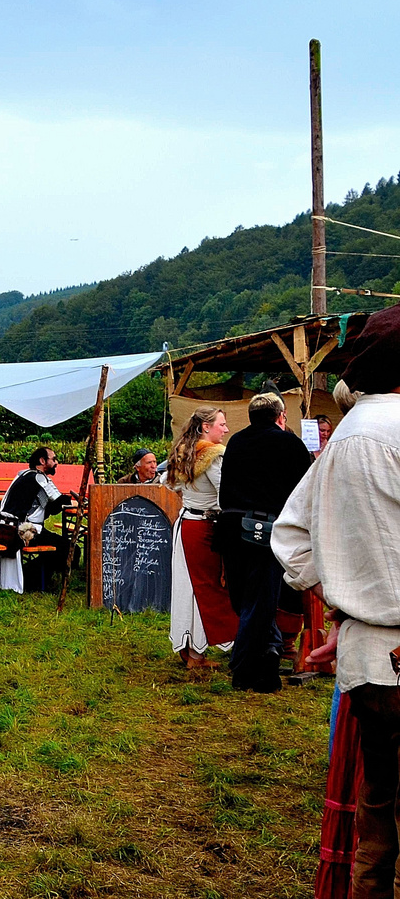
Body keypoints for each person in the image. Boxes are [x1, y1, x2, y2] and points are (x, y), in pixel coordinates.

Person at [273, 303, 400, 896]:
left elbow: (290, 535)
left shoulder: (350, 430)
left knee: (380, 812)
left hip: (367, 663)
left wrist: (345, 604)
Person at [217, 392, 314, 692]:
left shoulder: (235, 442)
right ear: (280, 416)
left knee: (245, 599)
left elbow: (225, 490)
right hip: (268, 529)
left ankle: (264, 659)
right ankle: (246, 666)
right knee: (261, 600)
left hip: (233, 529)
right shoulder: (289, 443)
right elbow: (304, 489)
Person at [166, 405, 234, 669]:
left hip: (186, 523)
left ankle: (188, 647)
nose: (226, 429)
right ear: (206, 427)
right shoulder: (214, 456)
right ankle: (196, 654)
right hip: (204, 526)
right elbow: (225, 494)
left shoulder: (184, 450)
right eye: (221, 424)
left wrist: (192, 497)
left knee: (188, 587)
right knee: (203, 589)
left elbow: (170, 483)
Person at [0, 446, 72, 593]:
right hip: (23, 531)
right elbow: (59, 501)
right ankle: (33, 579)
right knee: (69, 548)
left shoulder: (23, 474)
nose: (56, 463)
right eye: (53, 459)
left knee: (60, 545)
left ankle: (35, 576)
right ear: (42, 461)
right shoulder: (38, 477)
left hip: (5, 526)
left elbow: (49, 506)